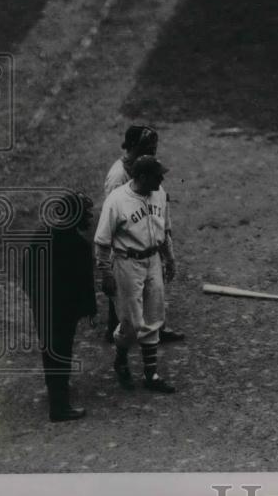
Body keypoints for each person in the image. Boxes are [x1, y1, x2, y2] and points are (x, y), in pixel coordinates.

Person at [94, 155, 178, 393]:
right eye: (157, 175)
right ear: (142, 177)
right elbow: (102, 242)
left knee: (154, 316)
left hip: (153, 260)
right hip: (126, 261)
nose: (162, 178)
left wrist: (170, 259)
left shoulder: (159, 193)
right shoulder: (117, 200)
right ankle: (121, 360)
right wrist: (105, 273)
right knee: (130, 323)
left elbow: (165, 231)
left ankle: (151, 374)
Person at [103, 125, 185, 344]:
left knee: (152, 289)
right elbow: (113, 218)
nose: (153, 151)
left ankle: (156, 328)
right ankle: (118, 334)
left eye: (154, 146)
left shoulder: (147, 167)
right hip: (124, 245)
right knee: (124, 293)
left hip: (146, 236)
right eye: (148, 146)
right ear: (132, 146)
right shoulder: (118, 175)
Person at [22, 190, 97, 421]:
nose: (89, 218)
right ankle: (59, 407)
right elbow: (85, 283)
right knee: (61, 353)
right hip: (63, 311)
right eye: (85, 214)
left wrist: (36, 297)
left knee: (51, 351)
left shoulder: (42, 234)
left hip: (44, 307)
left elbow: (26, 272)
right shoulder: (80, 245)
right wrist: (89, 310)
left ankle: (56, 391)